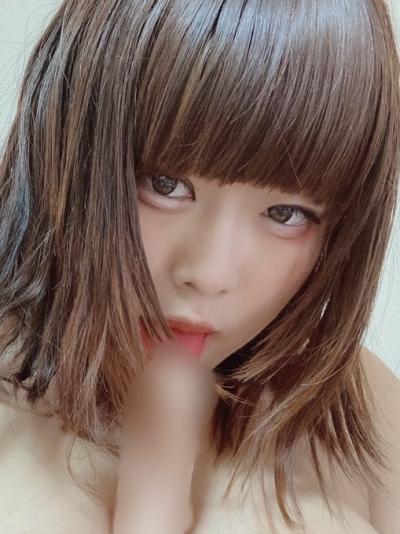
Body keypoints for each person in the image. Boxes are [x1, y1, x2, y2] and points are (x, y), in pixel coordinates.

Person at [0, 0, 399, 532]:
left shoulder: (363, 412)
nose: (209, 274)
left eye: (285, 214)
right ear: (67, 141)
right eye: (165, 186)